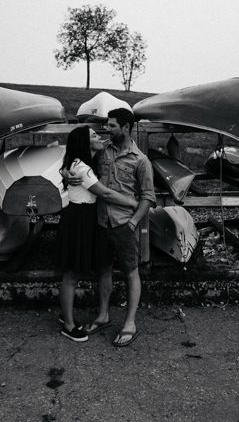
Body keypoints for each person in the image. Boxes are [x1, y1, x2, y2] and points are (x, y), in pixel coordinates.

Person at [67, 108, 155, 348]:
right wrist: (67, 173)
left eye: (113, 125)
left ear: (126, 128)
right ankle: (103, 316)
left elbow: (148, 197)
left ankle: (130, 323)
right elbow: (77, 161)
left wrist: (134, 222)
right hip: (101, 222)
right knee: (103, 270)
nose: (108, 129)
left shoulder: (141, 161)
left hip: (124, 224)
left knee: (130, 272)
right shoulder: (102, 151)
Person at [57, 125, 139, 343]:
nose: (99, 137)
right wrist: (132, 202)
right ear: (85, 143)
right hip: (79, 219)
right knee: (72, 274)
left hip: (85, 218)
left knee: (76, 270)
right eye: (93, 136)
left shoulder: (87, 161)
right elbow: (104, 192)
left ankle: (66, 315)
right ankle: (68, 325)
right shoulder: (82, 167)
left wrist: (64, 172)